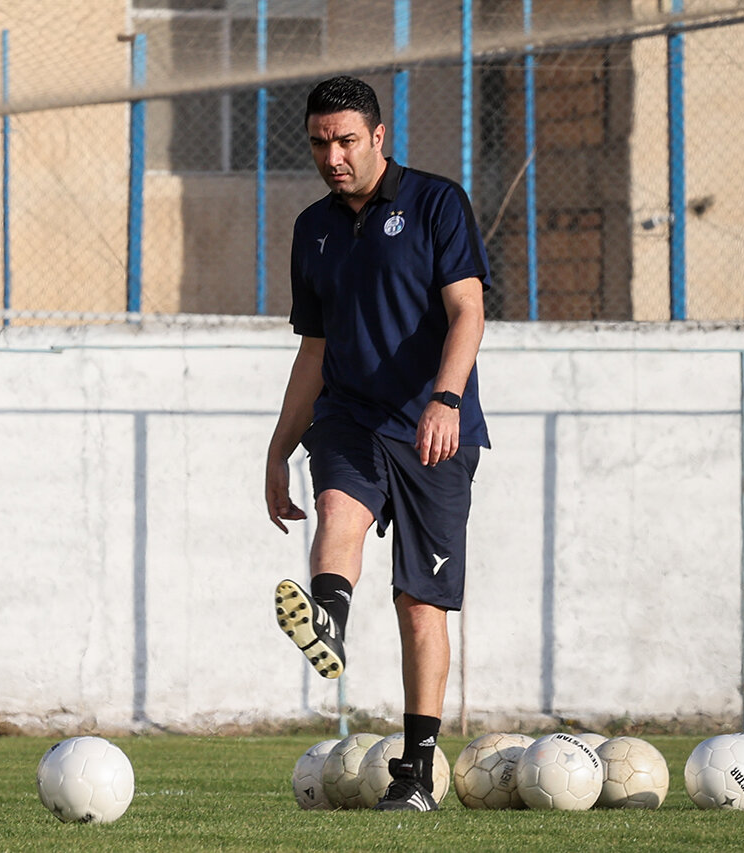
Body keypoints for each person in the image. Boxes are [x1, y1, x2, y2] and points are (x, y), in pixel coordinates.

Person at [265, 76, 491, 812]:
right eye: (319, 143)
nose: (332, 156)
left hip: (433, 428)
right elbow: (314, 351)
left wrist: (446, 397)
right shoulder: (313, 229)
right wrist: (276, 450)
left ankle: (419, 773)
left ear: (378, 137)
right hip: (349, 416)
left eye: (345, 140)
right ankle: (326, 614)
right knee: (337, 505)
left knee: (419, 605)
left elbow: (468, 311)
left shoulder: (435, 203)